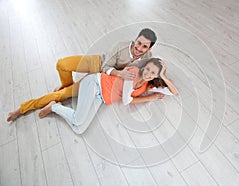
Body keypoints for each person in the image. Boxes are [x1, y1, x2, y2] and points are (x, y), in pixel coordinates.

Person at [6, 28, 157, 122]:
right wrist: (120, 73)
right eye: (138, 43)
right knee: (61, 64)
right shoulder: (121, 46)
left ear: (149, 48)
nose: (139, 48)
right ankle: (66, 82)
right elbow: (105, 67)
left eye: (144, 46)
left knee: (62, 95)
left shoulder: (147, 57)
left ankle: (21, 109)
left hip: (100, 79)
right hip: (98, 63)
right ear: (135, 40)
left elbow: (154, 72)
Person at [28, 58, 178, 134]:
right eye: (148, 69)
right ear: (144, 66)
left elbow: (173, 92)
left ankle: (57, 107)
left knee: (79, 129)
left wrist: (163, 76)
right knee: (78, 119)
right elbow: (127, 101)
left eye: (153, 73)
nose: (147, 73)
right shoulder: (132, 72)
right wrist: (150, 98)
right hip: (95, 83)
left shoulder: (149, 84)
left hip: (101, 97)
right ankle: (53, 106)